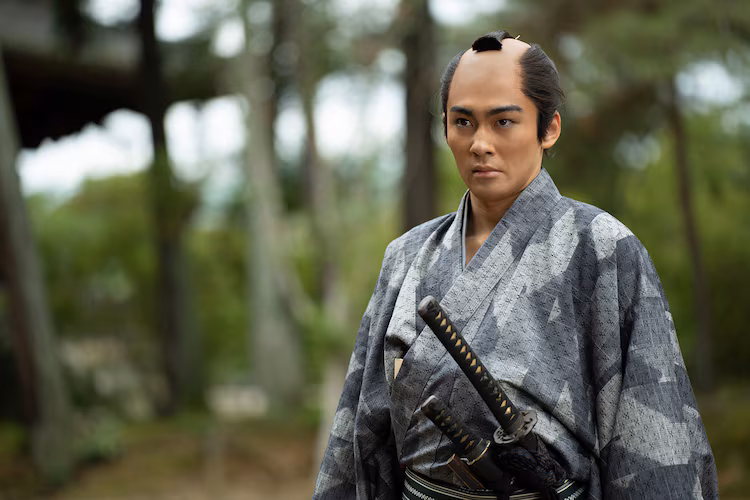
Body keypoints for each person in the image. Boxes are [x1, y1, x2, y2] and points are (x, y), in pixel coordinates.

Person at [313, 30, 718, 500]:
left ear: (549, 129)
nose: (480, 143)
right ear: (445, 127)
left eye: (503, 121)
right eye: (463, 122)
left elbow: (653, 440)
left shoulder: (602, 250)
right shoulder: (407, 255)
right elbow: (361, 430)